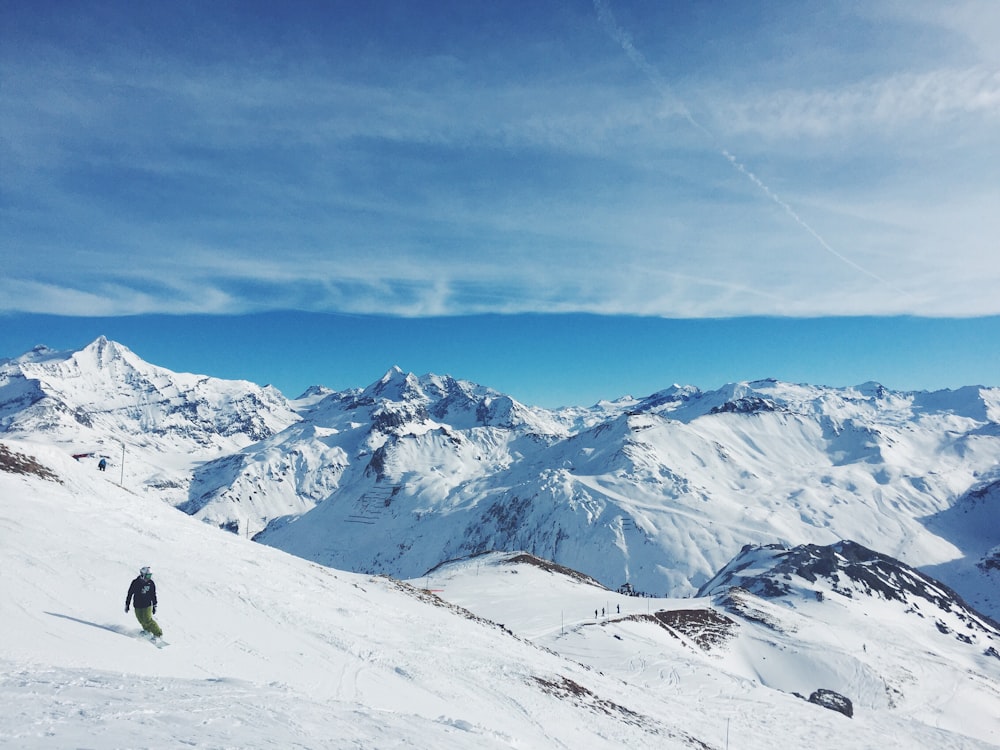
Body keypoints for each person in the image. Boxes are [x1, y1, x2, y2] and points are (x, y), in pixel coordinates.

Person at [125, 566, 162, 638]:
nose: (149, 577)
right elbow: (130, 593)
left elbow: (153, 595)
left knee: (148, 620)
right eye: (148, 575)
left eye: (150, 575)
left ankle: (158, 634)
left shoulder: (151, 583)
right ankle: (147, 631)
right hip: (137, 605)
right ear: (142, 574)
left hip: (147, 605)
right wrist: (127, 604)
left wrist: (155, 605)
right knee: (141, 620)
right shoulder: (135, 583)